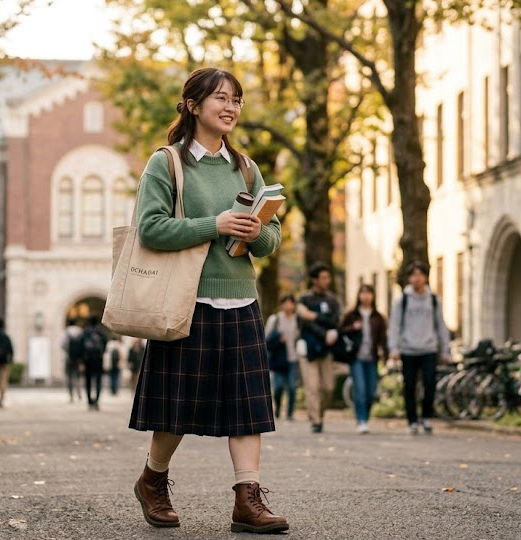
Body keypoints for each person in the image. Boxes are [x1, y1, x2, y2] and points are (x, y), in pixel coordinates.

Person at [129, 67, 287, 534]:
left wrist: (257, 233)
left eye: (236, 99)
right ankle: (153, 480)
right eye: (221, 97)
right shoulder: (167, 164)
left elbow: (272, 238)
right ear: (193, 105)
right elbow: (150, 229)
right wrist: (213, 225)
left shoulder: (247, 168)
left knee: (247, 409)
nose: (230, 107)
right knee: (176, 410)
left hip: (241, 302)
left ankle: (247, 499)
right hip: (186, 301)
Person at [388, 261, 451, 435]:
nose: (417, 278)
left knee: (430, 384)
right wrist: (394, 348)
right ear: (409, 278)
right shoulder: (403, 300)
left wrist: (445, 350)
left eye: (420, 274)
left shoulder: (433, 300)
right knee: (409, 386)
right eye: (414, 275)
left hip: (429, 348)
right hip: (408, 349)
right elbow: (394, 325)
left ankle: (427, 417)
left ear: (426, 277)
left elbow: (441, 326)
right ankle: (412, 420)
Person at [297, 262, 341, 434]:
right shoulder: (305, 299)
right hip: (309, 350)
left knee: (328, 387)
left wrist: (314, 316)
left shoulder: (332, 300)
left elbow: (335, 320)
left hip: (326, 350)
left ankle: (320, 414)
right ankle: (315, 420)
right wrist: (324, 331)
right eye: (323, 278)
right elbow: (304, 324)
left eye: (328, 277)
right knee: (312, 387)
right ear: (315, 280)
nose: (327, 281)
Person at [339, 284, 388, 434]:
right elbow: (340, 331)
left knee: (371, 392)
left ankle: (365, 417)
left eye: (369, 293)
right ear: (359, 296)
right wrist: (353, 328)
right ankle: (361, 420)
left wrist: (385, 356)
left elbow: (383, 339)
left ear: (373, 296)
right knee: (359, 389)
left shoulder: (378, 317)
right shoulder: (351, 315)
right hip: (356, 357)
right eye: (363, 293)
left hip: (372, 358)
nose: (366, 296)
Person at [264, 293, 299, 421]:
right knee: (278, 387)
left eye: (291, 303)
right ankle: (278, 408)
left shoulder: (297, 320)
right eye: (286, 303)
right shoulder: (275, 319)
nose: (288, 306)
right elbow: (266, 338)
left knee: (292, 387)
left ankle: (290, 413)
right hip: (278, 359)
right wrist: (278, 339)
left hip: (293, 358)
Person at [82, 315, 107, 410]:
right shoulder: (101, 332)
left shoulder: (85, 332)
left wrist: (81, 360)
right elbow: (105, 344)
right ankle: (97, 401)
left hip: (87, 360)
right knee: (98, 381)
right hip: (98, 359)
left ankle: (89, 401)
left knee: (88, 381)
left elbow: (81, 346)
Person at [61, 317, 84, 403]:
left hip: (69, 357)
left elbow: (63, 345)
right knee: (78, 376)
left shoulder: (66, 332)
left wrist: (68, 351)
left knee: (69, 376)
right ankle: (79, 393)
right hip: (78, 359)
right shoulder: (80, 331)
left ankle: (71, 396)